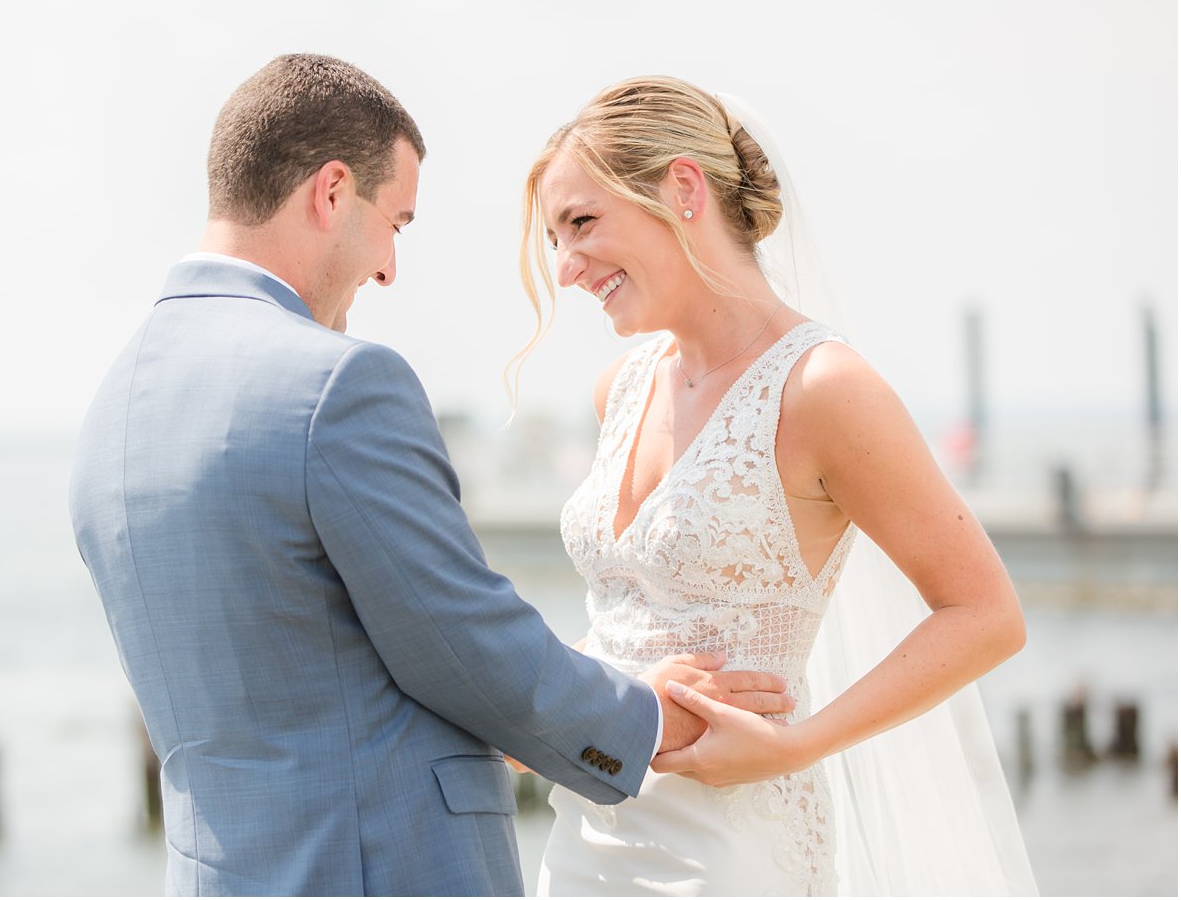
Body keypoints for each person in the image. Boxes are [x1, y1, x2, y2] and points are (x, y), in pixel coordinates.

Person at [68, 54, 794, 897]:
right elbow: (462, 637)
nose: (388, 268)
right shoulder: (335, 385)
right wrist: (647, 716)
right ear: (332, 192)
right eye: (397, 224)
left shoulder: (110, 417)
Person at [512, 76, 1032, 896]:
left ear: (683, 188)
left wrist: (800, 743)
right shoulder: (620, 388)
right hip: (583, 843)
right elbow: (625, 626)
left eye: (581, 223)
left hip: (731, 851)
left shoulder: (822, 388)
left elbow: (986, 615)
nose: (568, 267)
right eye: (555, 239)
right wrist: (538, 702)